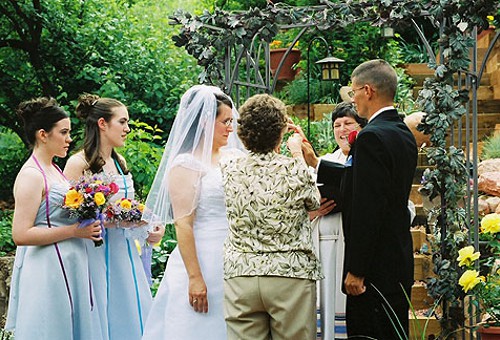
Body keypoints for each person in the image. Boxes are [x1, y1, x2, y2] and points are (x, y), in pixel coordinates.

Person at [305, 60, 418, 339]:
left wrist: (356, 270)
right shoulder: (402, 132)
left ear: (368, 90)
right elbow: (367, 184)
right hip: (397, 259)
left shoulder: (370, 138)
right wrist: (318, 164)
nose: (352, 99)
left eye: (353, 91)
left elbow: (368, 207)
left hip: (375, 268)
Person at [141, 85, 245, 340]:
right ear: (207, 122)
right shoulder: (186, 164)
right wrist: (195, 277)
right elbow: (184, 224)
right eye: (225, 122)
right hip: (202, 257)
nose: (231, 128)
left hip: (236, 257)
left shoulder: (233, 157)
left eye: (232, 121)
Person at [221, 93, 322, 340]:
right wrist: (297, 152)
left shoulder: (229, 169)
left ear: (242, 132)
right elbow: (315, 201)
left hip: (241, 274)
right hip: (289, 274)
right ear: (280, 131)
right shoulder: (294, 169)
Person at [64, 94, 162, 340]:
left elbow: (129, 205)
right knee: (102, 310)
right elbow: (69, 214)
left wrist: (147, 223)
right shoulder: (78, 163)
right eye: (123, 122)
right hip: (95, 252)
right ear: (102, 124)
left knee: (131, 305)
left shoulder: (120, 161)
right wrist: (120, 220)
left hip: (125, 251)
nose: (127, 129)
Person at [5, 97, 104, 339]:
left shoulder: (55, 170)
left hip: (72, 262)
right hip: (48, 266)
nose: (70, 139)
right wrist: (74, 232)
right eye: (64, 132)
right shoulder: (31, 175)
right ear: (43, 135)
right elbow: (20, 234)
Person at [309, 102, 366, 340]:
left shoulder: (368, 162)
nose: (342, 130)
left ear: (361, 127)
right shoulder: (321, 163)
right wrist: (314, 211)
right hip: (321, 245)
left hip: (350, 246)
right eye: (337, 125)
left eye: (348, 123)